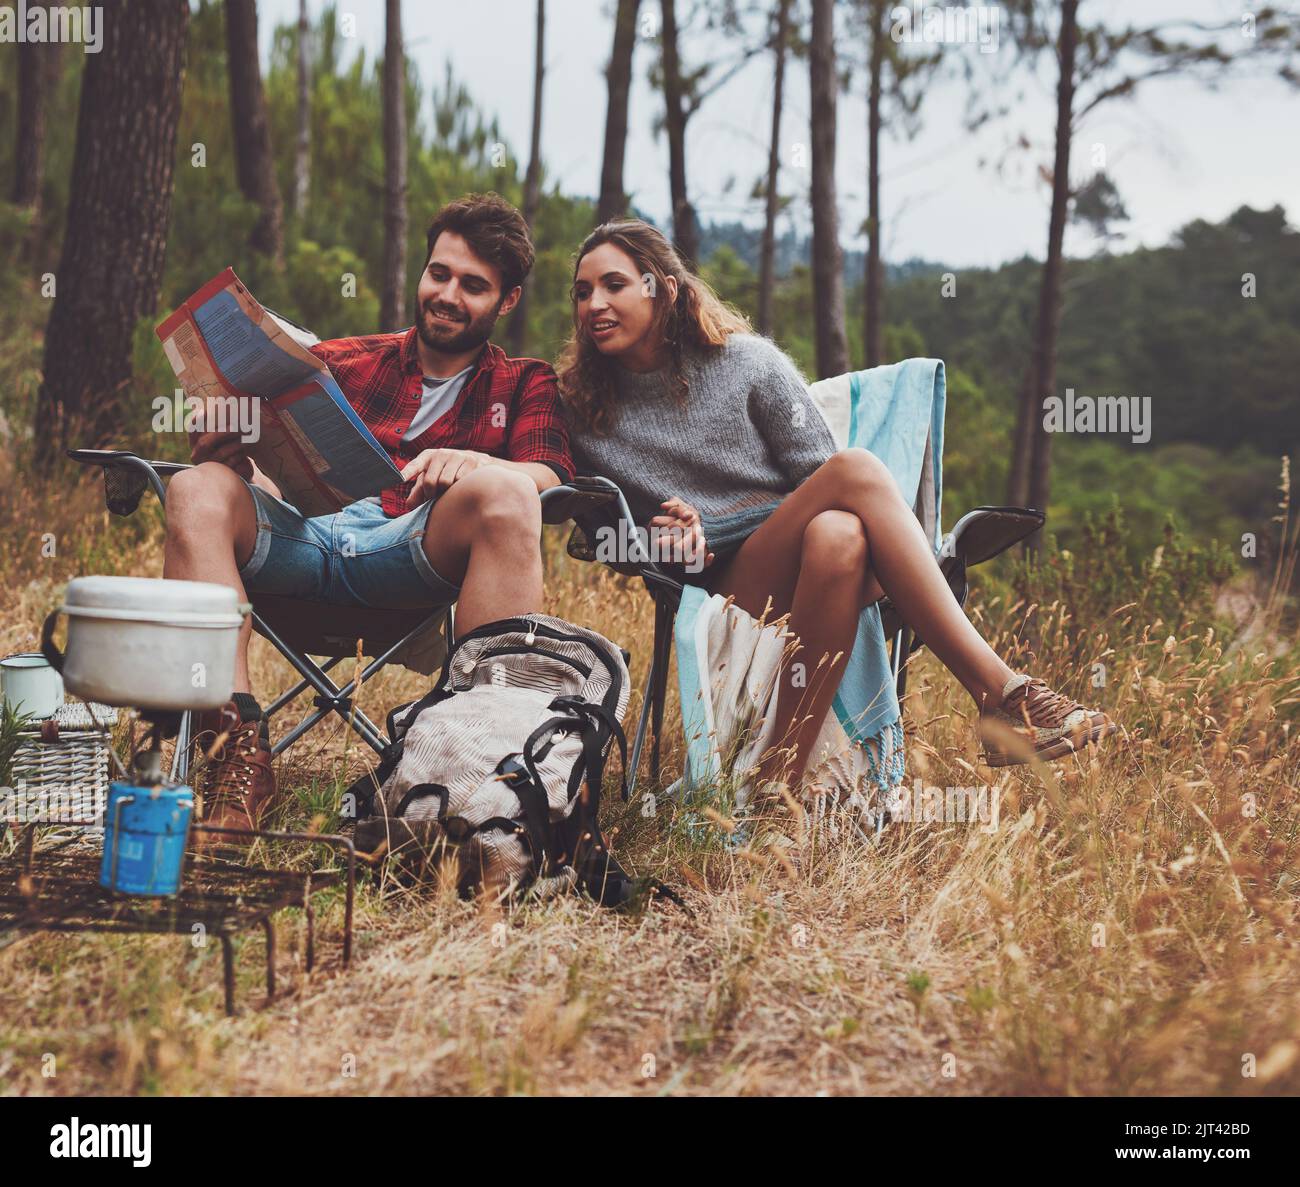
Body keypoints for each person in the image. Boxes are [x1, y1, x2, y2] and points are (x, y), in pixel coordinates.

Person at [556, 219, 1115, 796]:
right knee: (857, 471)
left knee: (840, 535)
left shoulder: (746, 364)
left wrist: (736, 519)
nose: (594, 303)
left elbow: (817, 478)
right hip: (718, 584)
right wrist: (668, 542)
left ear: (663, 289)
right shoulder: (580, 411)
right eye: (582, 291)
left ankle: (776, 787)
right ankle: (1001, 695)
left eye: (614, 285)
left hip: (812, 558)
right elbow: (602, 540)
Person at [163, 193, 573, 836]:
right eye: (439, 274)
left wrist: (475, 463)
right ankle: (232, 755)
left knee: (509, 492)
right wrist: (232, 445)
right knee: (195, 487)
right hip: (303, 535)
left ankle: (477, 766)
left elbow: (548, 475)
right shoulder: (342, 359)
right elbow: (266, 472)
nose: (447, 294)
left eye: (473, 286)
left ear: (507, 300)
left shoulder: (524, 381)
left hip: (406, 552)